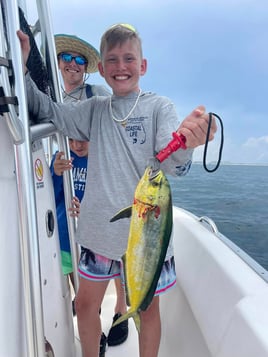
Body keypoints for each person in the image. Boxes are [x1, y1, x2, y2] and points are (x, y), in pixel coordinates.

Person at [18, 23, 217, 357]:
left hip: (148, 238)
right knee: (84, 305)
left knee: (148, 310)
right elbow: (50, 112)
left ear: (143, 66)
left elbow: (174, 166)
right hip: (99, 234)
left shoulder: (159, 107)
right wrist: (24, 69)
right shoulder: (94, 110)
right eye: (112, 59)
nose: (120, 67)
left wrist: (190, 143)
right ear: (102, 68)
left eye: (129, 59)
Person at [50, 34, 129, 355]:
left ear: (88, 68)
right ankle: (85, 305)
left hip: (96, 174)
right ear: (57, 62)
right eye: (66, 57)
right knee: (74, 255)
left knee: (109, 250)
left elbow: (114, 127)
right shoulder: (50, 94)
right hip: (63, 172)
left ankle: (121, 308)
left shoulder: (96, 94)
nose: (72, 63)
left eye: (80, 60)